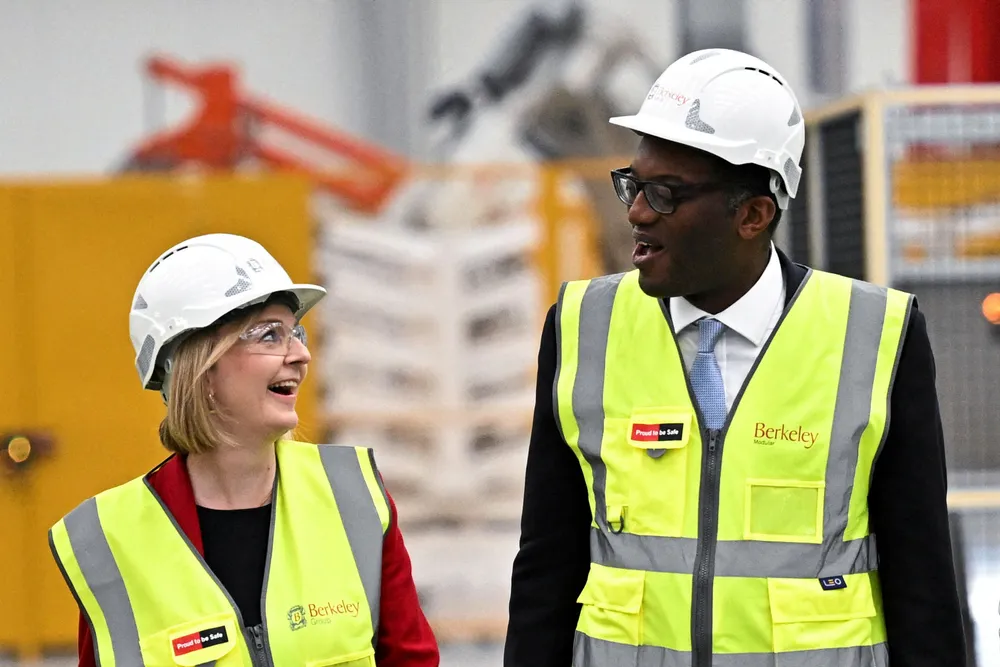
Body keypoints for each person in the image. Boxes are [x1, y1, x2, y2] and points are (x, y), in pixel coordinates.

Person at [504, 48, 967, 667]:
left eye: (664, 194)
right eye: (633, 185)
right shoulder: (583, 327)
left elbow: (922, 585)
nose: (636, 212)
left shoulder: (877, 337)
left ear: (753, 215)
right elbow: (546, 569)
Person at [49, 233, 440, 667]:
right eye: (270, 335)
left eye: (296, 333)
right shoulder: (109, 540)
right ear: (201, 368)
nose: (302, 355)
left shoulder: (354, 498)